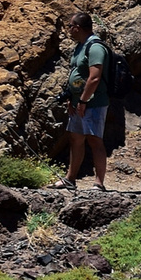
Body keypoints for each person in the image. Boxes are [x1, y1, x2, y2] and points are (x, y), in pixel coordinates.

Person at [54, 12, 109, 190]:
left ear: (77, 27)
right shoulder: (80, 46)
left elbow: (94, 77)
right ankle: (70, 179)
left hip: (93, 102)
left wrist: (84, 101)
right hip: (79, 101)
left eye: (70, 26)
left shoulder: (95, 47)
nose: (68, 30)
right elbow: (78, 74)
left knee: (94, 140)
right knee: (75, 138)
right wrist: (72, 97)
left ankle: (99, 183)